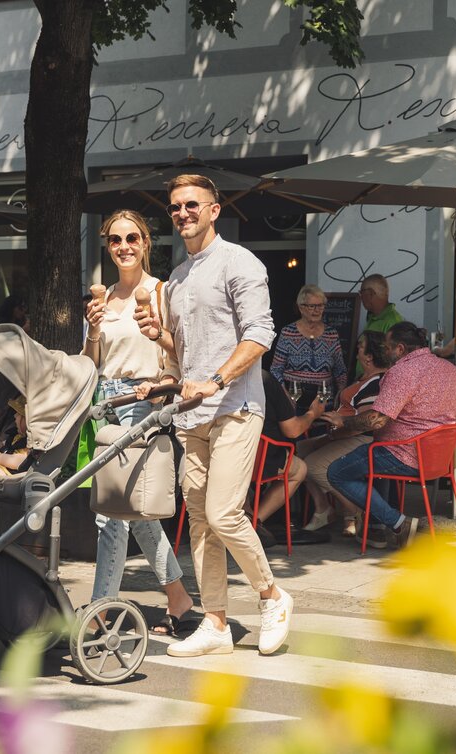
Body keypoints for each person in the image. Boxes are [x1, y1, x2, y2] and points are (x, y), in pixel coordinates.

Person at [134, 173, 292, 658]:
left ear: (214, 210)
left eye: (192, 205)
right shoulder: (177, 279)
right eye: (176, 206)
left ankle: (272, 595)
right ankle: (216, 623)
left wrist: (216, 382)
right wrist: (162, 350)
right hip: (190, 413)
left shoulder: (239, 263)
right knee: (200, 521)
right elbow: (185, 356)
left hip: (235, 406)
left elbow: (260, 334)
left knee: (224, 513)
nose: (183, 213)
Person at [82, 209, 195, 637]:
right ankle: (179, 599)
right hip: (106, 404)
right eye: (115, 240)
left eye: (132, 238)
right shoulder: (104, 297)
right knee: (139, 511)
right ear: (108, 246)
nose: (124, 246)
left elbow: (177, 358)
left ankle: (101, 612)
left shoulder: (161, 293)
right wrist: (93, 331)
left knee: (110, 514)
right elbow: (91, 365)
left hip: (141, 403)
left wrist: (162, 385)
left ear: (146, 243)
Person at [324, 322, 456, 549]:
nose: (384, 352)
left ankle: (398, 523)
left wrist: (342, 421)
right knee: (371, 456)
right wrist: (444, 418)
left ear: (400, 349)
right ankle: (377, 526)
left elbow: (377, 420)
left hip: (402, 454)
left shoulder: (401, 372)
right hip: (438, 460)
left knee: (337, 472)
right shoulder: (448, 368)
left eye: (387, 347)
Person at [296, 330, 392, 538]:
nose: (356, 350)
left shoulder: (377, 383)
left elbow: (367, 423)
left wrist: (336, 430)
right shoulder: (365, 378)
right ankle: (323, 509)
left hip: (358, 438)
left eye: (360, 346)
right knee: (297, 454)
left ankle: (354, 510)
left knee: (311, 466)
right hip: (341, 434)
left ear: (368, 356)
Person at [250, 370, 325, 547]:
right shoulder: (264, 379)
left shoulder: (213, 377)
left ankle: (245, 520)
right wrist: (313, 413)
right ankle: (254, 522)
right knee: (300, 469)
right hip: (258, 459)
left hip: (221, 454)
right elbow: (293, 430)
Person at [269, 285, 347, 405]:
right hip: (294, 398)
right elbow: (276, 370)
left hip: (324, 400)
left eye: (320, 305)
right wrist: (285, 396)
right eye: (312, 306)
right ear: (301, 308)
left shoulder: (331, 334)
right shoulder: (288, 332)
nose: (317, 310)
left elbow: (340, 369)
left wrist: (341, 393)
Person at [356, 274, 403, 376]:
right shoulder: (373, 317)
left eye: (361, 293)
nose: (361, 297)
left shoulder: (393, 321)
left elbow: (395, 361)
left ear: (371, 294)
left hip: (376, 385)